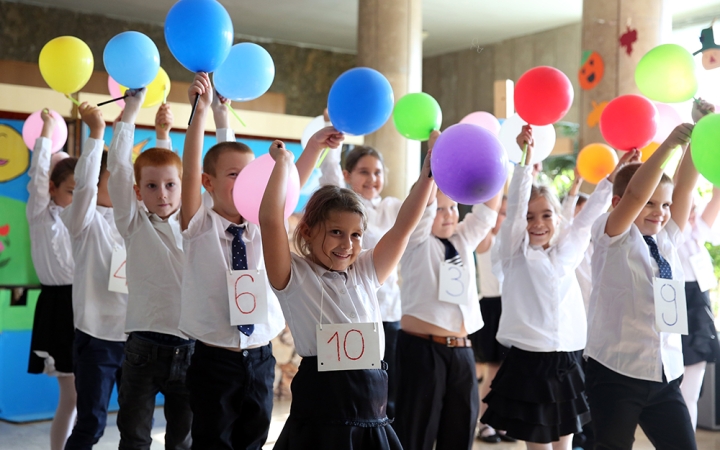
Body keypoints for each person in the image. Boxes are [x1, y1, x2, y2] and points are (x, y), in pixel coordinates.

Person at [178, 72, 343, 449]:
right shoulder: (198, 224)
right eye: (233, 175)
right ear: (208, 183)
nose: (245, 182)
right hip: (214, 359)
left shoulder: (260, 222)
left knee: (254, 438)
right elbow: (189, 171)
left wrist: (315, 146)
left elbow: (290, 183)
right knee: (212, 440)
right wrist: (200, 113)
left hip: (259, 357)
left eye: (249, 174)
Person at [260, 131, 434, 449]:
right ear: (308, 232)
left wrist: (429, 174)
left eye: (356, 235)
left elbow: (403, 227)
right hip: (321, 414)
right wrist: (282, 166)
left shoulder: (367, 270)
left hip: (371, 410)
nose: (347, 244)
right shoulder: (293, 276)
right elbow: (270, 221)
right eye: (336, 232)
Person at [482, 126, 628, 450]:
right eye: (531, 216)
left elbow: (589, 217)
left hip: (569, 357)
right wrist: (524, 162)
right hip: (531, 360)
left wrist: (612, 177)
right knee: (539, 445)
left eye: (546, 215)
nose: (537, 223)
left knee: (565, 443)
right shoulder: (514, 255)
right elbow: (516, 213)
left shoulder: (567, 252)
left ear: (557, 220)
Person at [584, 107, 706, 449]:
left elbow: (683, 190)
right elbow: (636, 193)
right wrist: (669, 145)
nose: (661, 212)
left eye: (664, 206)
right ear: (619, 203)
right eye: (651, 205)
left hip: (664, 373)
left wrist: (697, 133)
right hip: (616, 373)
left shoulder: (666, 241)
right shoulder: (611, 236)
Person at [393, 131, 503, 450]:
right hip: (422, 349)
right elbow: (422, 208)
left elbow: (485, 214)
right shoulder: (415, 241)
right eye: (441, 209)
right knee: (416, 432)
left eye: (453, 208)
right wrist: (432, 162)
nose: (448, 215)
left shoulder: (461, 242)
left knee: (461, 430)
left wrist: (498, 162)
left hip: (462, 350)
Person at [108, 90, 194, 450]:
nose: (163, 194)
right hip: (144, 348)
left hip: (191, 347)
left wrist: (164, 133)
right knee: (135, 437)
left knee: (183, 439)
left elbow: (170, 165)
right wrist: (130, 113)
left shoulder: (194, 225)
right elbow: (120, 170)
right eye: (151, 187)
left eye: (171, 186)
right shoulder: (133, 224)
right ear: (138, 192)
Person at [319, 142, 403, 416]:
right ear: (347, 174)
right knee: (349, 388)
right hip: (349, 311)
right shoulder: (343, 210)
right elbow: (328, 178)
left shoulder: (390, 207)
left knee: (386, 389)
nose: (372, 179)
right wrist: (333, 145)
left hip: (387, 311)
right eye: (364, 172)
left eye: (377, 172)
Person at [61, 103, 127, 449]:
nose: (120, 186)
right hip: (97, 338)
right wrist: (96, 135)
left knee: (135, 426)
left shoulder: (135, 224)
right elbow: (84, 187)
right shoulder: (86, 223)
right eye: (110, 179)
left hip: (136, 339)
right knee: (91, 424)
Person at [26, 109, 77, 450]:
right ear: (52, 188)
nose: (78, 197)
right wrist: (46, 134)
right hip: (59, 307)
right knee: (71, 395)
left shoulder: (84, 220)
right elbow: (37, 178)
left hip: (86, 303)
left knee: (83, 395)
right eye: (71, 191)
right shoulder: (41, 216)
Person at [471, 195, 512, 444]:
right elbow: (483, 217)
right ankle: (485, 423)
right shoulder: (486, 240)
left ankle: (500, 421)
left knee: (506, 373)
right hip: (491, 307)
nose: (503, 217)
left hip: (510, 307)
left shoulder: (510, 240)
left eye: (507, 212)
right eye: (500, 211)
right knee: (493, 372)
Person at [678, 186, 720, 430]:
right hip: (677, 312)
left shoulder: (697, 235)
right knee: (677, 393)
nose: (693, 215)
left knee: (691, 394)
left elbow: (717, 197)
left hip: (699, 314)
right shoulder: (671, 236)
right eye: (688, 209)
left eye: (694, 209)